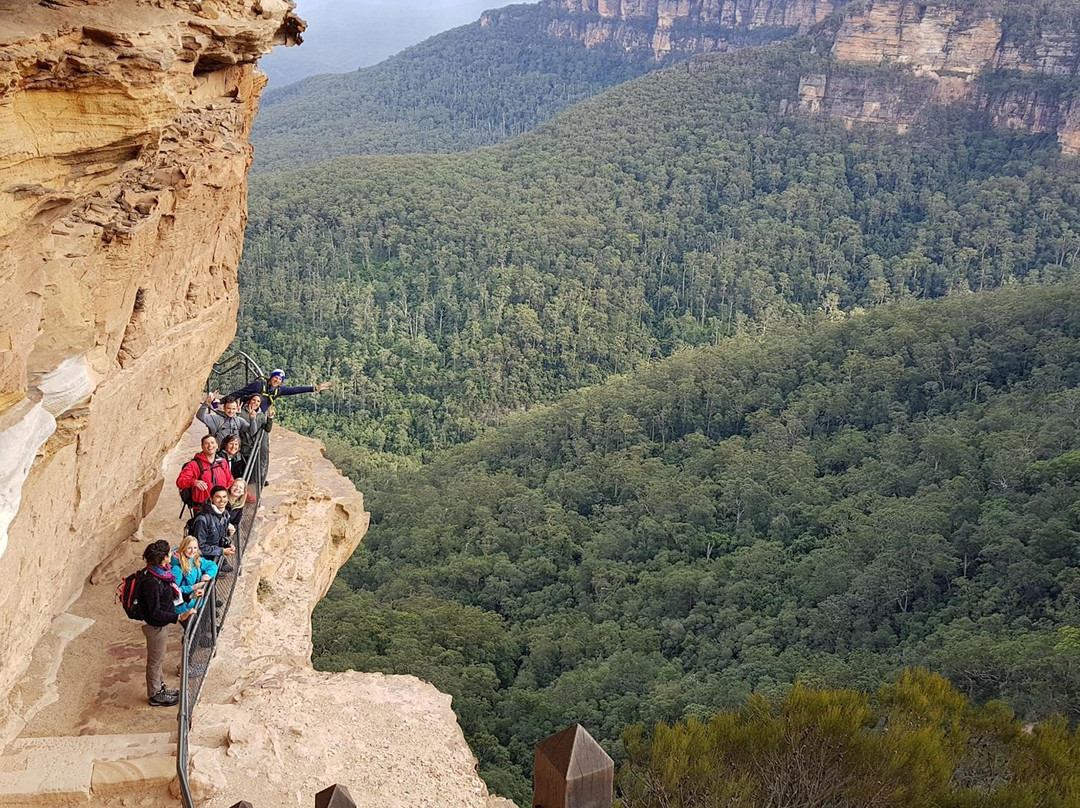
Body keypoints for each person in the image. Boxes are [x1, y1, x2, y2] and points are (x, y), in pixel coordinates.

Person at [138, 539, 194, 706]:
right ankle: (155, 695)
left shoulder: (159, 574)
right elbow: (155, 611)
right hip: (156, 626)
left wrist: (189, 596)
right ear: (163, 558)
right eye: (169, 553)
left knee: (159, 659)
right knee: (155, 661)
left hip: (159, 624)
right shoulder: (152, 582)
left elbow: (169, 596)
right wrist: (178, 617)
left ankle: (160, 688)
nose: (171, 555)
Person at [230, 368, 331, 413]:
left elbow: (295, 390)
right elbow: (240, 392)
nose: (277, 380)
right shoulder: (259, 385)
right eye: (276, 377)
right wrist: (224, 401)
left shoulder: (278, 390)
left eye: (280, 379)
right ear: (271, 377)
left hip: (260, 415)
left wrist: (315, 388)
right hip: (247, 411)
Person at [176, 435, 234, 509]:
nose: (210, 446)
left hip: (221, 505)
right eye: (206, 443)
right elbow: (180, 481)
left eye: (212, 443)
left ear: (217, 445)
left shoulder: (222, 462)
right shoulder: (194, 464)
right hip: (202, 507)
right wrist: (194, 482)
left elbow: (230, 481)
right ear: (202, 447)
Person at [191, 486, 236, 572]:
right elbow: (199, 547)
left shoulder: (225, 514)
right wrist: (222, 551)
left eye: (224, 496)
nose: (222, 500)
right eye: (218, 497)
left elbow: (221, 535)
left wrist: (228, 545)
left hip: (216, 555)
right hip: (203, 560)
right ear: (211, 499)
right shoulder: (202, 520)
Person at [170, 536, 218, 616]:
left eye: (195, 548)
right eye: (189, 548)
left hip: (197, 600)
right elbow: (173, 590)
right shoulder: (177, 568)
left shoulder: (194, 559)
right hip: (185, 607)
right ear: (183, 548)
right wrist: (192, 588)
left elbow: (212, 565)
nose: (193, 551)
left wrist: (208, 574)